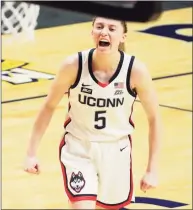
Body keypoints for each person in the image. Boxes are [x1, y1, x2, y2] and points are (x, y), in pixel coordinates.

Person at [24, 17, 162, 210]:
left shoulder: (135, 71)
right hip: (78, 148)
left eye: (111, 28)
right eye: (99, 27)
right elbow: (48, 106)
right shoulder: (73, 65)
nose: (104, 32)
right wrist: (31, 153)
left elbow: (154, 118)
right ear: (92, 33)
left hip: (116, 150)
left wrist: (152, 169)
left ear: (122, 36)